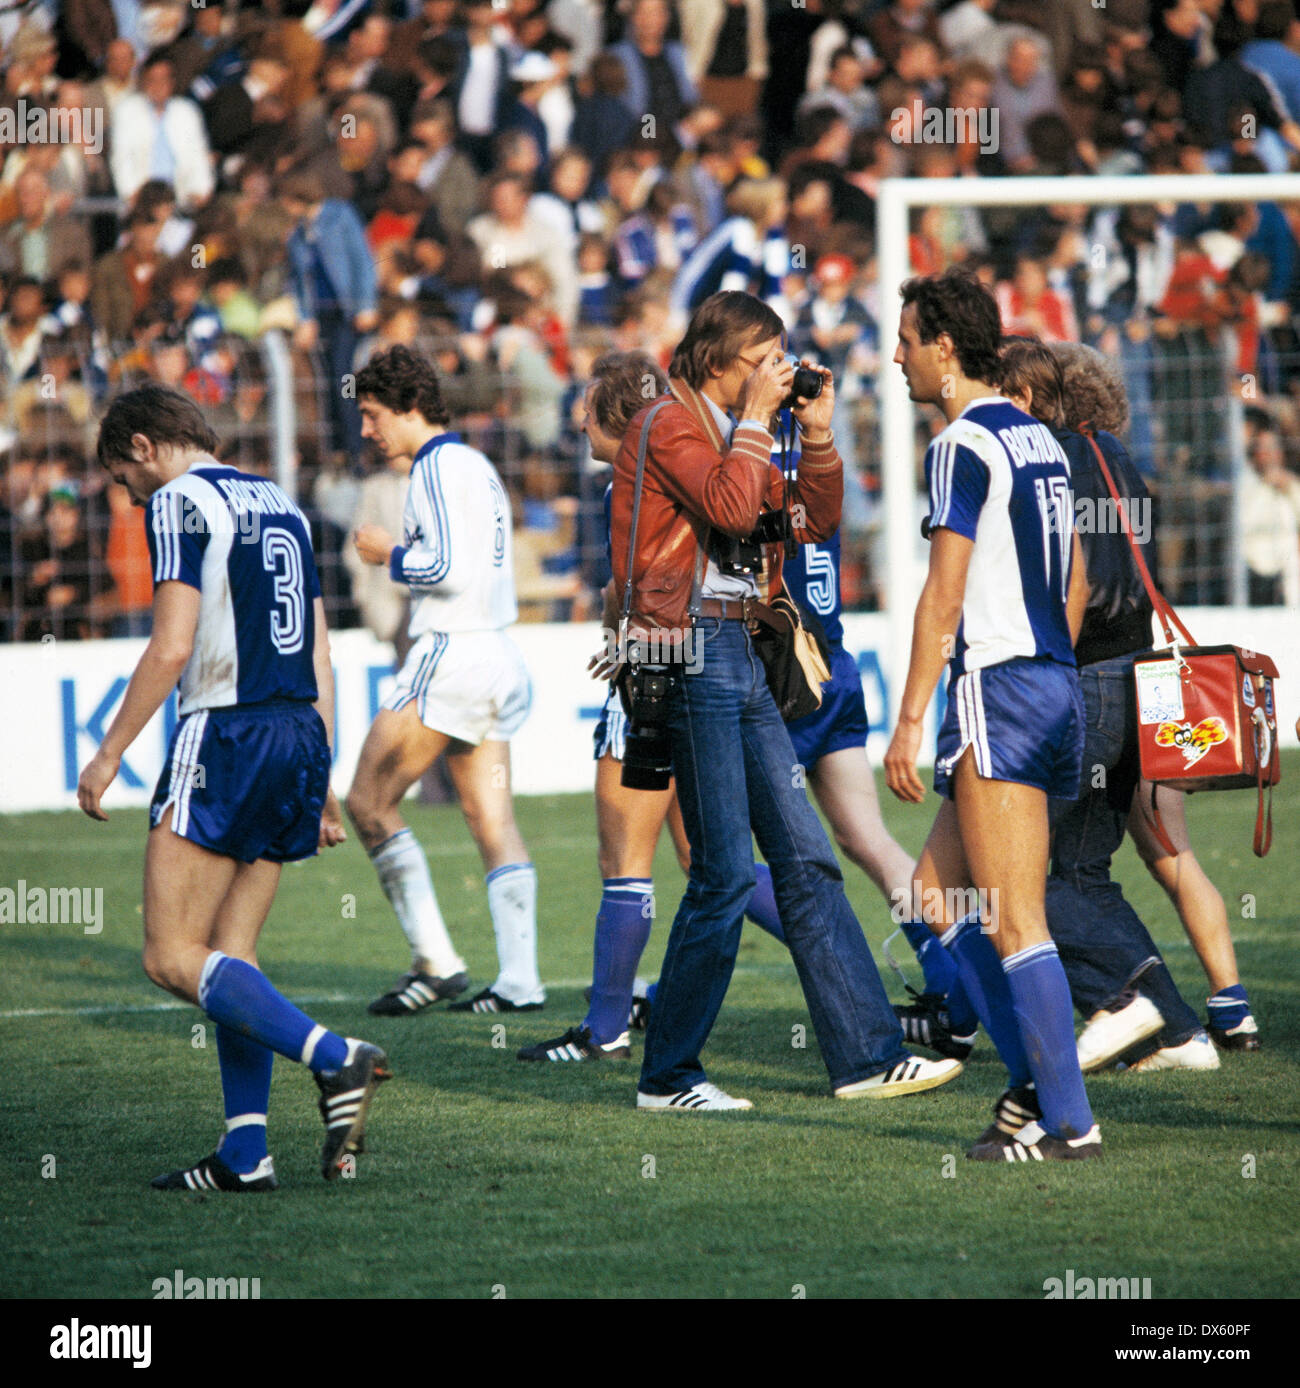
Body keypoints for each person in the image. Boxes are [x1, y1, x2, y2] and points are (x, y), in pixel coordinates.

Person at [609, 289, 962, 1109]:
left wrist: (818, 431)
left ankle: (868, 1057)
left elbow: (811, 520)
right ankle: (668, 1076)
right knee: (727, 873)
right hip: (689, 646)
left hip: (742, 648)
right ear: (718, 361)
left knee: (805, 857)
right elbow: (731, 503)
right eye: (763, 360)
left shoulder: (745, 433)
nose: (778, 371)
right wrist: (761, 421)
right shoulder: (666, 424)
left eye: (780, 359)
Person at [76, 384, 389, 1191]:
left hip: (226, 733)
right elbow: (319, 649)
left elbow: (172, 646)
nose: (127, 492)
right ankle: (246, 1155)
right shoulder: (278, 500)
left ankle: (335, 1057)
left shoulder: (179, 501)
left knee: (169, 954)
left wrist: (110, 752)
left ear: (143, 447)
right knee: (231, 955)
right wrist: (319, 775)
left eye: (121, 476)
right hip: (296, 732)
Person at [885, 270, 1101, 1162]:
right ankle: (1030, 1082)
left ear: (943, 346)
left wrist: (908, 722)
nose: (894, 357)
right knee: (937, 895)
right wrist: (1048, 661)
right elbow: (1077, 578)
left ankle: (1071, 1126)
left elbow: (944, 597)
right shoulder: (1041, 440)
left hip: (999, 693)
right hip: (1051, 687)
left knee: (1016, 922)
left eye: (904, 340)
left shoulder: (961, 444)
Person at [997, 338, 1221, 1075]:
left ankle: (1124, 1004)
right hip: (1138, 672)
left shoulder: (1051, 458)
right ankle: (1182, 1031)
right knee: (1086, 871)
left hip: (1085, 673)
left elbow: (1076, 580)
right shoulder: (1118, 457)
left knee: (1018, 872)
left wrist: (1044, 672)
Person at [345, 345, 545, 1018]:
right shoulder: (476, 464)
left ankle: (436, 961)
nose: (368, 430)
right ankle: (520, 980)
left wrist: (386, 554)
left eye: (373, 415)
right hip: (495, 656)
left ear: (408, 408)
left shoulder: (432, 466)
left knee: (367, 803)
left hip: (452, 656)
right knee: (490, 819)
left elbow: (448, 569)